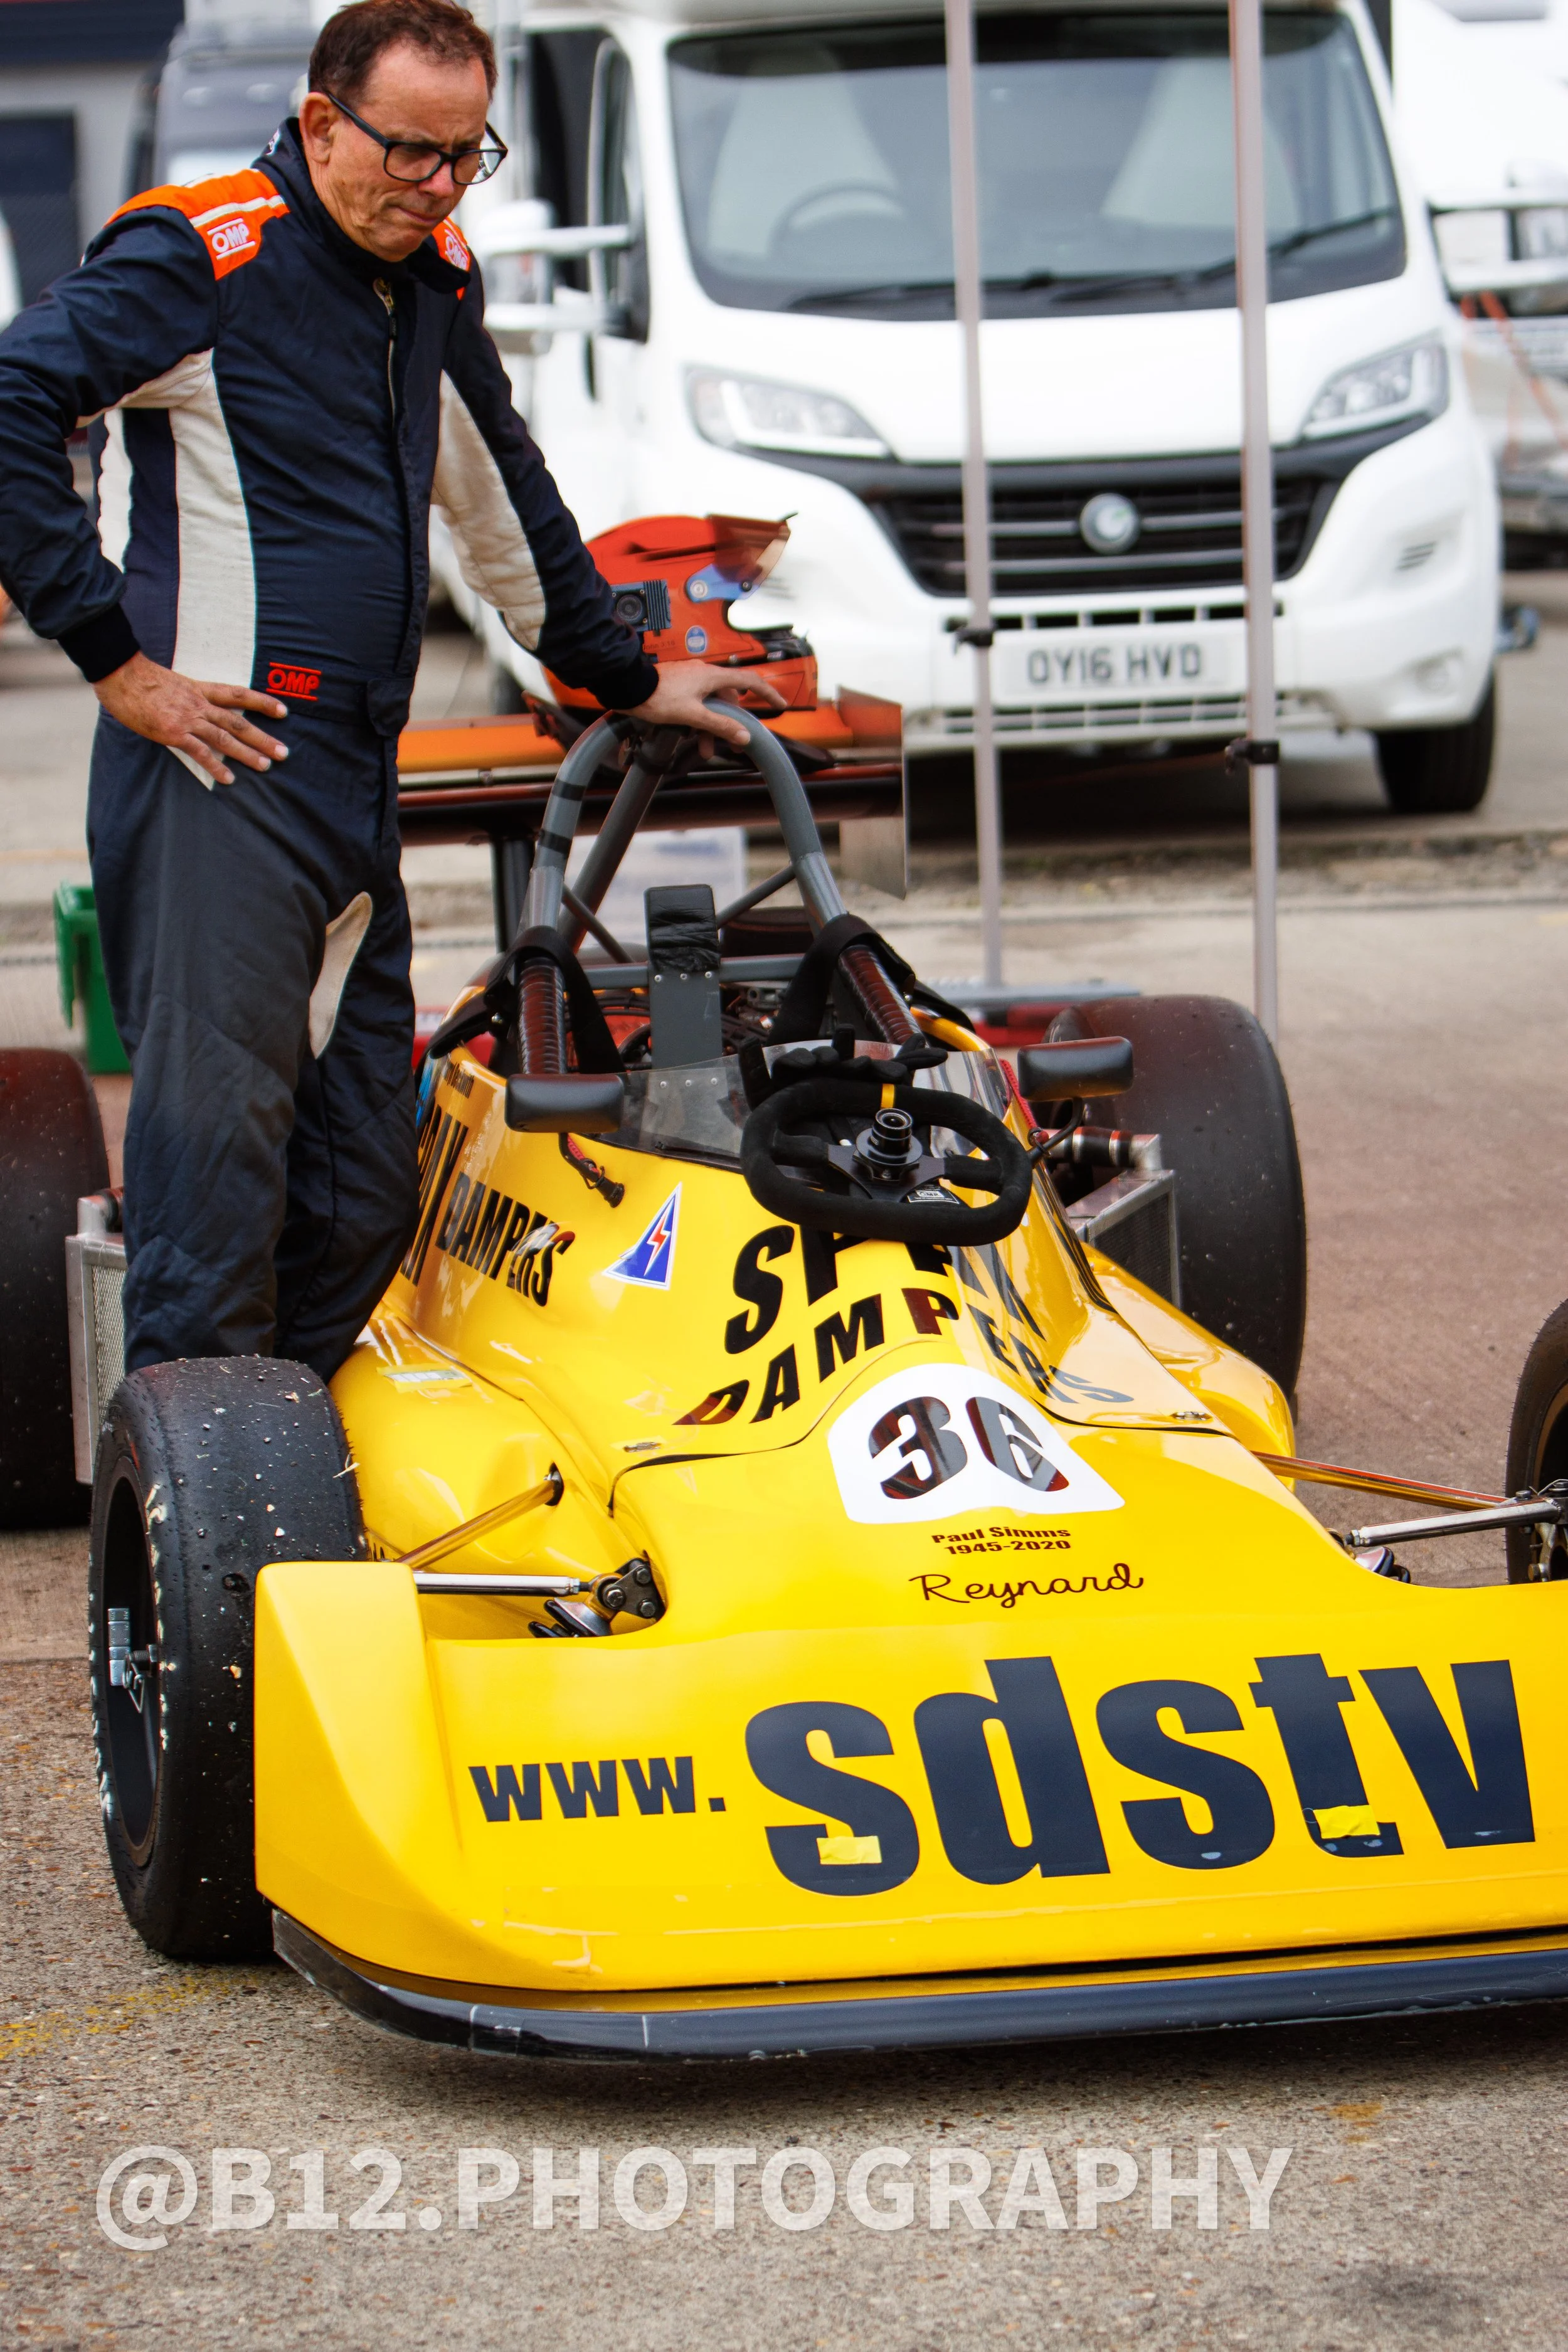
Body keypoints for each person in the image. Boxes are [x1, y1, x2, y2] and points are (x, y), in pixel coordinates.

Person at [0, 0, 775, 1381]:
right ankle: (211, 1534)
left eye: (463, 156)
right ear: (318, 123)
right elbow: (7, 401)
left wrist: (621, 670)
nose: (433, 185)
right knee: (214, 1191)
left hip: (354, 779)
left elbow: (499, 488)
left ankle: (270, 1440)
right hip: (214, 784)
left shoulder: (432, 270)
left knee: (366, 1189)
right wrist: (113, 661)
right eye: (407, 153)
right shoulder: (199, 251)